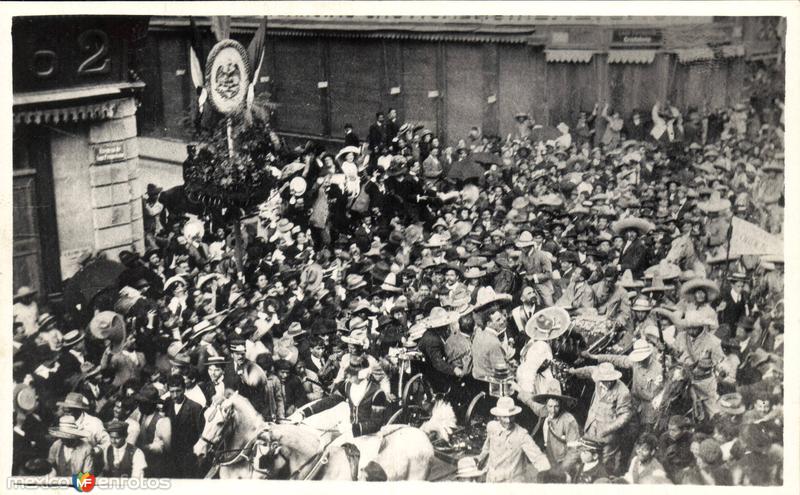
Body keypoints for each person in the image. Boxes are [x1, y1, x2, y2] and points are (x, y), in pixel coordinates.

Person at [568, 362, 634, 476]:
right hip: (591, 428)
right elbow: (588, 369)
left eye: (609, 380)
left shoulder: (623, 392)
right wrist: (574, 372)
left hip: (608, 436)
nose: (605, 383)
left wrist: (608, 428)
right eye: (603, 380)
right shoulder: (597, 376)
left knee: (606, 463)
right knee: (587, 455)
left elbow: (625, 415)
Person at [473, 396, 550, 482]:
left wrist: (547, 471)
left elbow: (537, 456)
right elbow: (487, 448)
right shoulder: (491, 427)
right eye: (505, 417)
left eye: (511, 416)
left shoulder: (522, 435)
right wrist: (479, 458)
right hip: (492, 481)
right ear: (498, 417)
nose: (508, 421)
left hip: (512, 485)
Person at [164, 374, 205, 478]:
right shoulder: (167, 404)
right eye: (172, 391)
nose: (175, 395)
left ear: (184, 389)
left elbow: (201, 434)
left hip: (188, 458)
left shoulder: (196, 408)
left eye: (178, 391)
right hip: (170, 457)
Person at [534, 393, 581, 475]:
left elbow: (574, 450)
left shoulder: (568, 420)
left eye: (556, 406)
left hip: (562, 460)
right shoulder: (544, 411)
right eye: (550, 406)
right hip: (548, 455)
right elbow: (530, 402)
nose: (553, 410)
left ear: (561, 405)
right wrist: (517, 388)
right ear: (546, 405)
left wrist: (562, 469)